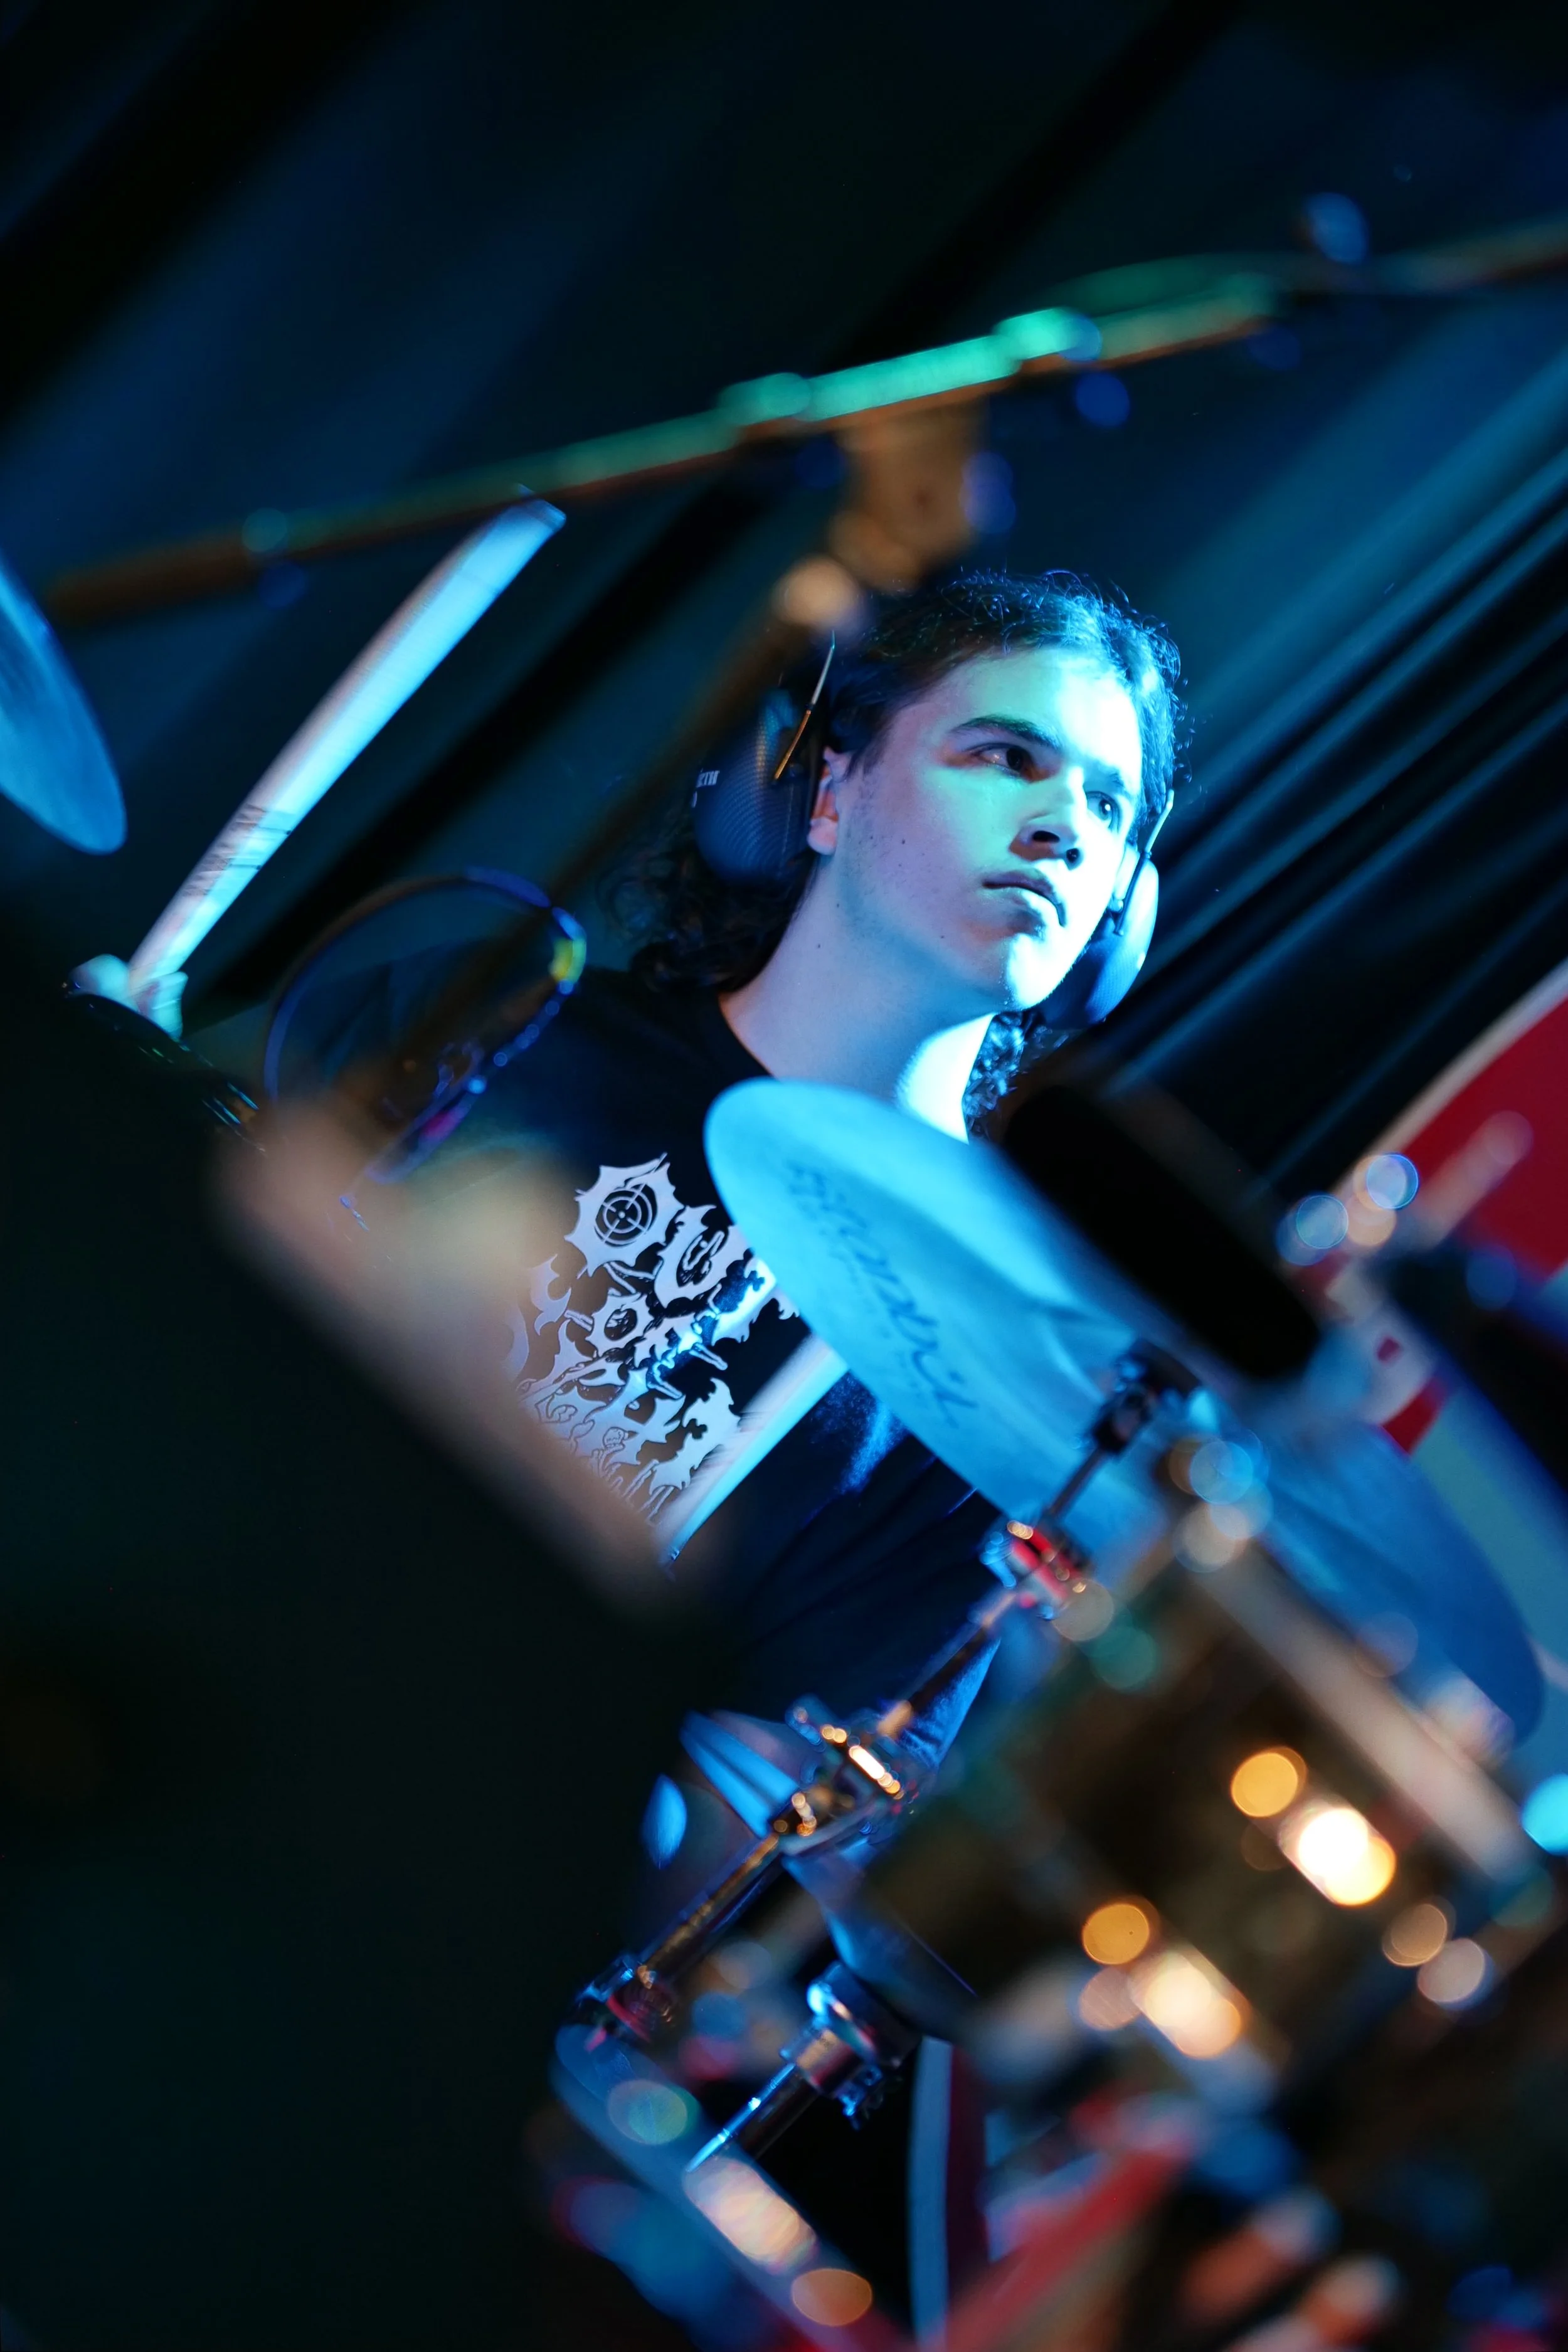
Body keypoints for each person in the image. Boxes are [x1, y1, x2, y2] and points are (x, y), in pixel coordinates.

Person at [423, 568, 1182, 1745]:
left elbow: (738, 1835)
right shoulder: (505, 1032)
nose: (1068, 827)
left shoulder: (993, 1377)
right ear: (827, 788)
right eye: (1007, 758)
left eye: (1112, 809)